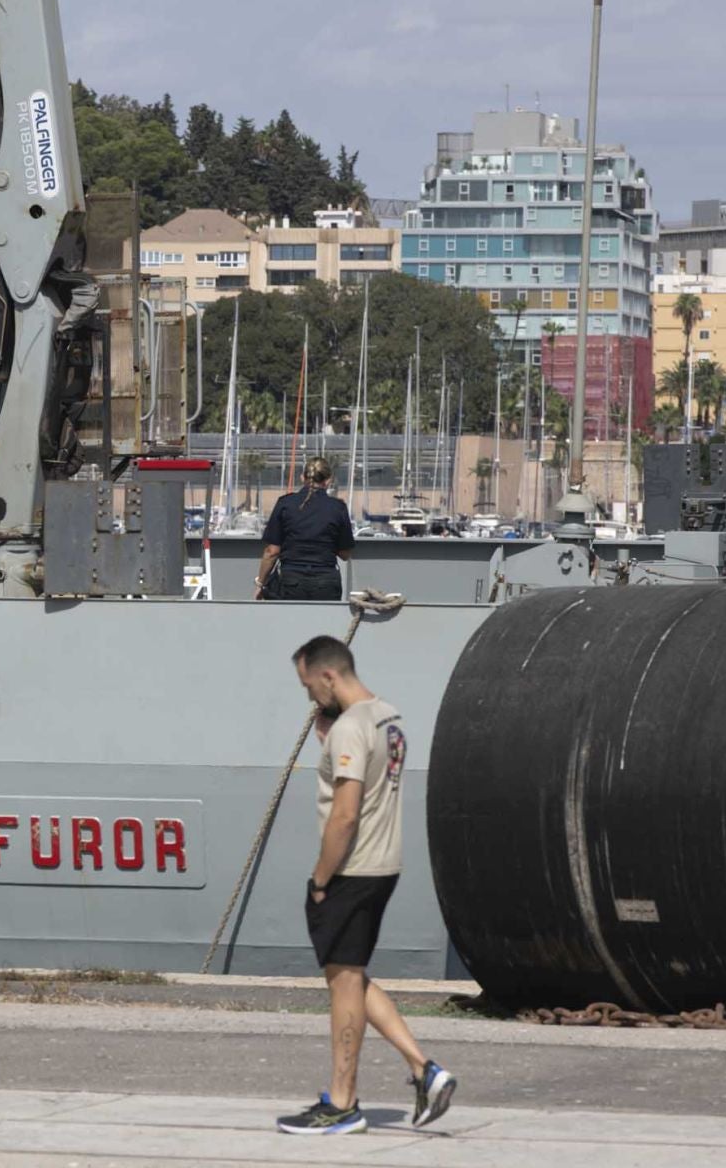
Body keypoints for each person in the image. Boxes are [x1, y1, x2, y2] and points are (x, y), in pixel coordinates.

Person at [276, 635, 456, 1136]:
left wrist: (320, 879)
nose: (310, 696)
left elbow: (346, 813)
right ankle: (425, 1070)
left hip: (352, 870)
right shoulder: (387, 716)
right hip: (384, 864)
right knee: (349, 974)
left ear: (328, 676)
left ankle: (343, 1103)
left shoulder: (351, 727)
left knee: (343, 984)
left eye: (309, 685)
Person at [256, 456, 353, 601]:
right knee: (325, 623)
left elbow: (272, 552)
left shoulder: (285, 504)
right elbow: (345, 554)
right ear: (328, 481)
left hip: (290, 580)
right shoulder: (338, 508)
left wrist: (261, 584)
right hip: (326, 581)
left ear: (302, 477)